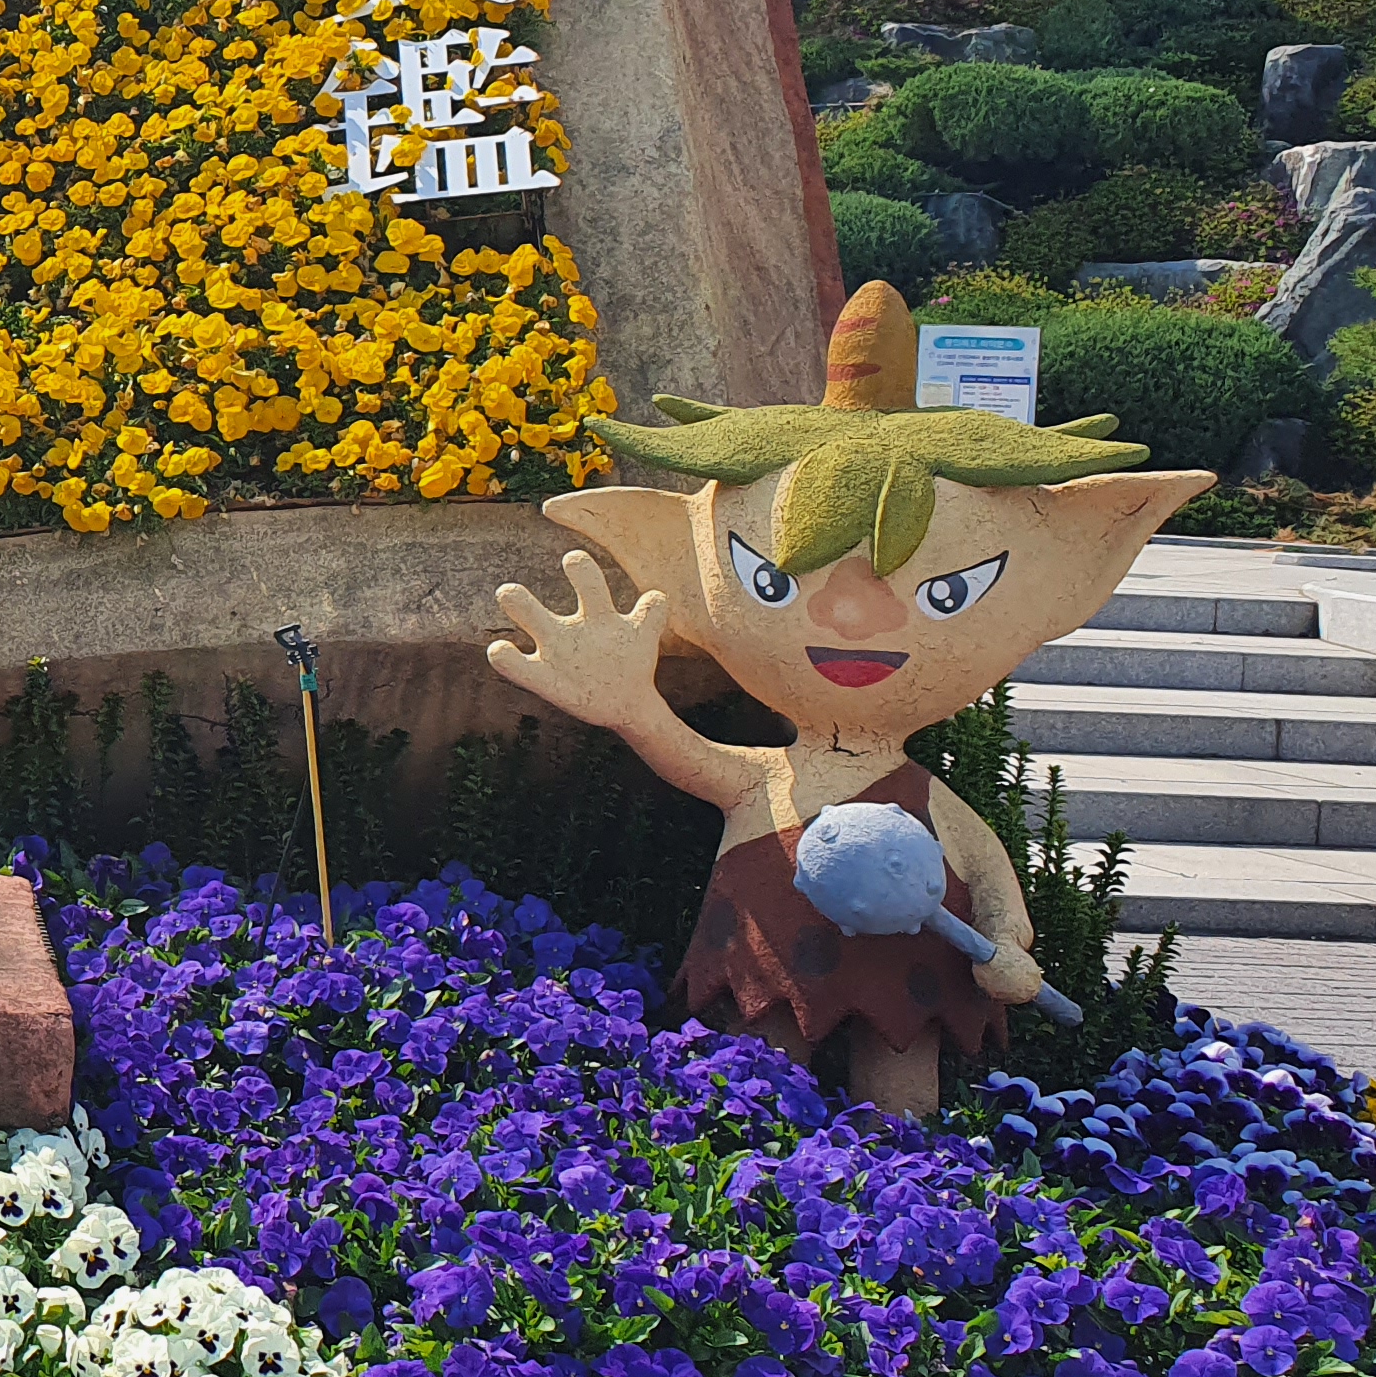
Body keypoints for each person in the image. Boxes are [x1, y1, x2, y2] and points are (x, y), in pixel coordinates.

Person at [483, 281, 1209, 1115]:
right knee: (759, 1067)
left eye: (948, 592)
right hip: (770, 955)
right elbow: (689, 758)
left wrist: (1008, 939)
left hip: (909, 974)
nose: (853, 619)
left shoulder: (923, 799)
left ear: (1064, 586)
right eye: (771, 581)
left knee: (901, 1081)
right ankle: (762, 1150)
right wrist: (627, 702)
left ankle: (903, 1168)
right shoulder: (767, 780)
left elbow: (984, 870)